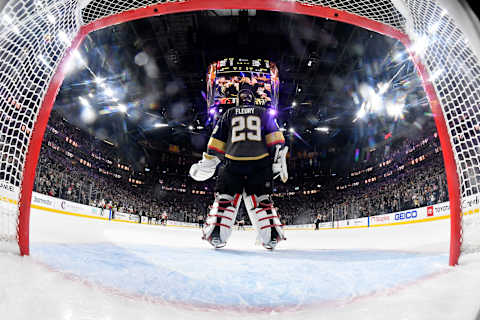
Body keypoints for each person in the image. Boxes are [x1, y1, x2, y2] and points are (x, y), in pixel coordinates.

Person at [189, 88, 288, 250]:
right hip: (260, 165)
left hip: (232, 163)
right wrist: (277, 162)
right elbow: (277, 140)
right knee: (262, 202)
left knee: (225, 201)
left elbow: (216, 143)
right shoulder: (263, 113)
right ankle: (271, 237)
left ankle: (216, 235)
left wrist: (209, 161)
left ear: (238, 100)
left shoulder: (228, 114)